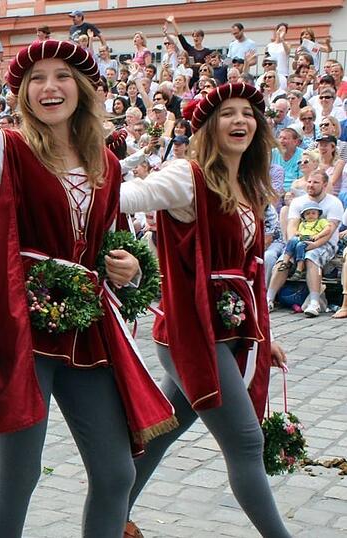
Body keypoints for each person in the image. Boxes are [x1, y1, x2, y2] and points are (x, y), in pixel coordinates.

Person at [0, 4, 177, 536]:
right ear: (24, 93)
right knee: (20, 474)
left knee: (116, 472)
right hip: (24, 328)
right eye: (36, 79)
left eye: (62, 77)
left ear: (83, 89)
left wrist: (130, 270)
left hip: (87, 330)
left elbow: (113, 245)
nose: (49, 88)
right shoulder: (9, 149)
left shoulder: (106, 163)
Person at [120, 82, 291, 538]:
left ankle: (112, 518)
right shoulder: (186, 178)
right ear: (208, 126)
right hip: (192, 335)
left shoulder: (248, 185)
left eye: (248, 113)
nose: (240, 121)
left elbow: (251, 272)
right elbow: (125, 198)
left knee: (163, 430)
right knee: (246, 441)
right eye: (228, 113)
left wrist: (266, 338)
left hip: (227, 331)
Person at [267, 169, 343, 317]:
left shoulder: (334, 203)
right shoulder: (298, 202)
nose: (311, 185)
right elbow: (292, 226)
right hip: (300, 240)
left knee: (311, 257)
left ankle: (314, 302)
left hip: (325, 243)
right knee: (284, 259)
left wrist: (312, 245)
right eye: (309, 181)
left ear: (325, 184)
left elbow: (329, 232)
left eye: (316, 182)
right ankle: (269, 298)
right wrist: (294, 244)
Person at [276, 202, 329, 278]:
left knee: (300, 245)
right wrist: (297, 233)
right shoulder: (303, 224)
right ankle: (285, 262)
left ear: (318, 214)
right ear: (304, 216)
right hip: (302, 237)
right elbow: (298, 231)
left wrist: (318, 235)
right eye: (307, 214)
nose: (310, 215)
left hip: (311, 238)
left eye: (313, 213)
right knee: (292, 240)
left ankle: (299, 268)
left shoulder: (321, 221)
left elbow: (328, 229)